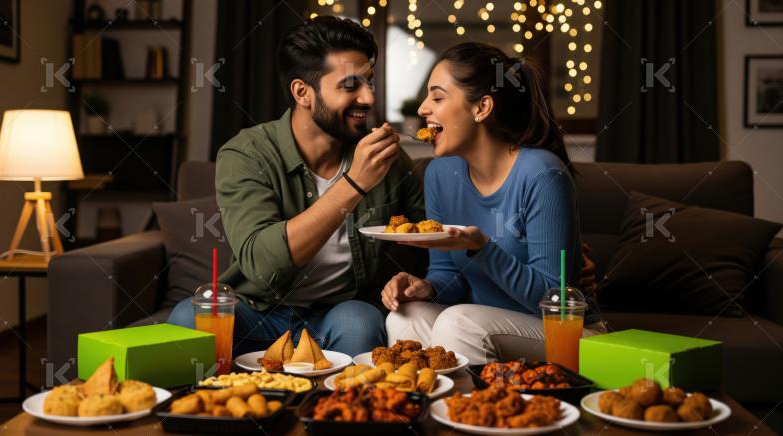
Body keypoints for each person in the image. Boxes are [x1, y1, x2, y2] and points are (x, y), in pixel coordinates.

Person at [168, 16, 424, 357]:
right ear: (302, 92)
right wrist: (355, 183)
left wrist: (414, 280)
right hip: (257, 312)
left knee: (360, 321)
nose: (368, 99)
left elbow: (426, 241)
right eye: (350, 86)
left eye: (369, 83)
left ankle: (334, 409)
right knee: (189, 316)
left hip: (340, 311)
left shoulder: (389, 160)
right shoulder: (247, 154)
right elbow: (262, 269)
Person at [382, 42, 605, 364]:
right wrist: (426, 288)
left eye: (438, 97)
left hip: (565, 332)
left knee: (457, 321)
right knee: (405, 316)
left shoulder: (542, 174)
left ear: (481, 108)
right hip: (483, 325)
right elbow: (447, 275)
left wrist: (482, 248)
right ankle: (422, 410)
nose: (423, 109)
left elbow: (552, 298)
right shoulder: (440, 173)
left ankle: (479, 412)